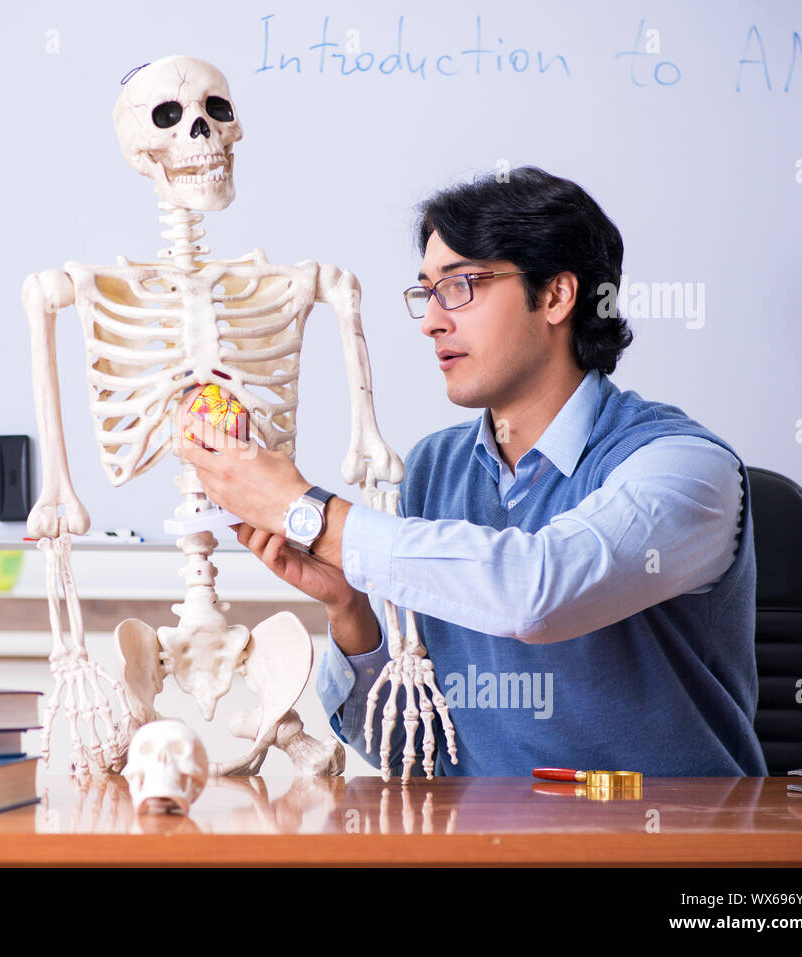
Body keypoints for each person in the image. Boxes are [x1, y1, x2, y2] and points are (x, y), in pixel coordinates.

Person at [180, 165, 767, 777]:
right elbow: (408, 754)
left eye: (460, 285)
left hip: (666, 847)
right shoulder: (434, 468)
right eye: (426, 292)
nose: (433, 319)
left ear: (558, 296)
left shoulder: (686, 468)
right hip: (481, 846)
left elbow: (537, 592)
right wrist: (350, 609)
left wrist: (308, 512)